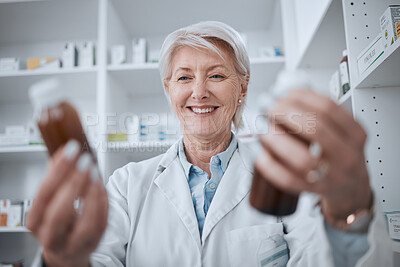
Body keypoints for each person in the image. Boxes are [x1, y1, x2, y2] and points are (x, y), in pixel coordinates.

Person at [28, 21, 393, 267]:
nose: (199, 92)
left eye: (217, 75)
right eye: (184, 77)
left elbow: (326, 258)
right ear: (169, 90)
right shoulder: (126, 185)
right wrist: (59, 260)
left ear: (243, 88)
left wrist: (352, 211)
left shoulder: (283, 173)